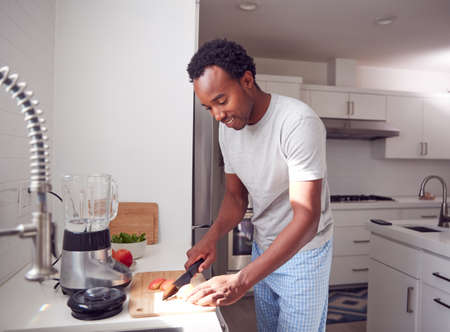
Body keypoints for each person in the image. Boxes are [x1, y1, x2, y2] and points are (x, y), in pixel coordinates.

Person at [185, 39, 334, 332]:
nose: (217, 115)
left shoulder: (297, 122)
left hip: (304, 254)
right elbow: (235, 197)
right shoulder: (228, 131)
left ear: (247, 80)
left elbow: (307, 219)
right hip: (263, 245)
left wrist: (241, 280)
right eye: (208, 108)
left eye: (221, 100)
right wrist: (211, 237)